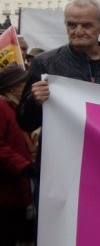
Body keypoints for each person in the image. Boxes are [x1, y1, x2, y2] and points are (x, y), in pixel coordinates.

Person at [17, 0, 100, 132]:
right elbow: (24, 124)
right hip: (61, 150)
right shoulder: (44, 63)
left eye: (87, 25)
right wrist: (34, 101)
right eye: (72, 25)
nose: (78, 31)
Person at [0, 66, 35, 246]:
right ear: (12, 87)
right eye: (24, 84)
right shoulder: (1, 108)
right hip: (6, 193)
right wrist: (24, 166)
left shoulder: (14, 108)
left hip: (15, 192)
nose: (27, 87)